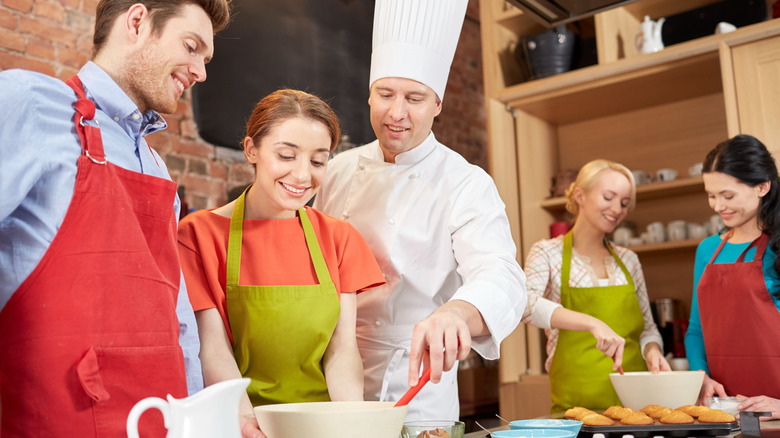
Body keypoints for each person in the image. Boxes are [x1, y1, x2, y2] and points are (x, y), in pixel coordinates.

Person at [0, 0, 231, 436]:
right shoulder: (30, 105)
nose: (200, 70)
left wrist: (197, 419)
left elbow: (177, 318)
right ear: (138, 22)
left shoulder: (157, 167)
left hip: (155, 421)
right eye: (191, 45)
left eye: (206, 57)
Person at [313, 0, 527, 421]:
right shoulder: (335, 171)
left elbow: (502, 275)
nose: (397, 113)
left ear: (437, 104)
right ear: (369, 94)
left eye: (414, 98)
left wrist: (455, 313)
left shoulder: (465, 182)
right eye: (385, 94)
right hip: (330, 384)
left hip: (418, 390)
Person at [178, 89, 386, 436]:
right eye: (287, 155)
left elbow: (342, 351)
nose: (303, 176)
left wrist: (352, 423)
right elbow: (213, 351)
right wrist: (246, 423)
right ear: (251, 150)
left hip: (321, 427)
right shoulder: (199, 235)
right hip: (239, 423)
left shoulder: (338, 238)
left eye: (318, 161)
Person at [522, 159, 670, 412]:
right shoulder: (547, 253)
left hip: (636, 408)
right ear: (580, 195)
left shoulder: (628, 260)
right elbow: (525, 305)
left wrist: (653, 350)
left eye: (624, 203)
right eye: (609, 197)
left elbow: (647, 328)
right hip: (576, 411)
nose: (617, 209)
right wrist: (592, 323)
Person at [685, 134, 780, 420]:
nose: (717, 206)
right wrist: (700, 375)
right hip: (725, 412)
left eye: (728, 196)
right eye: (711, 195)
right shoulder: (708, 250)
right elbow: (696, 329)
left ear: (762, 186)